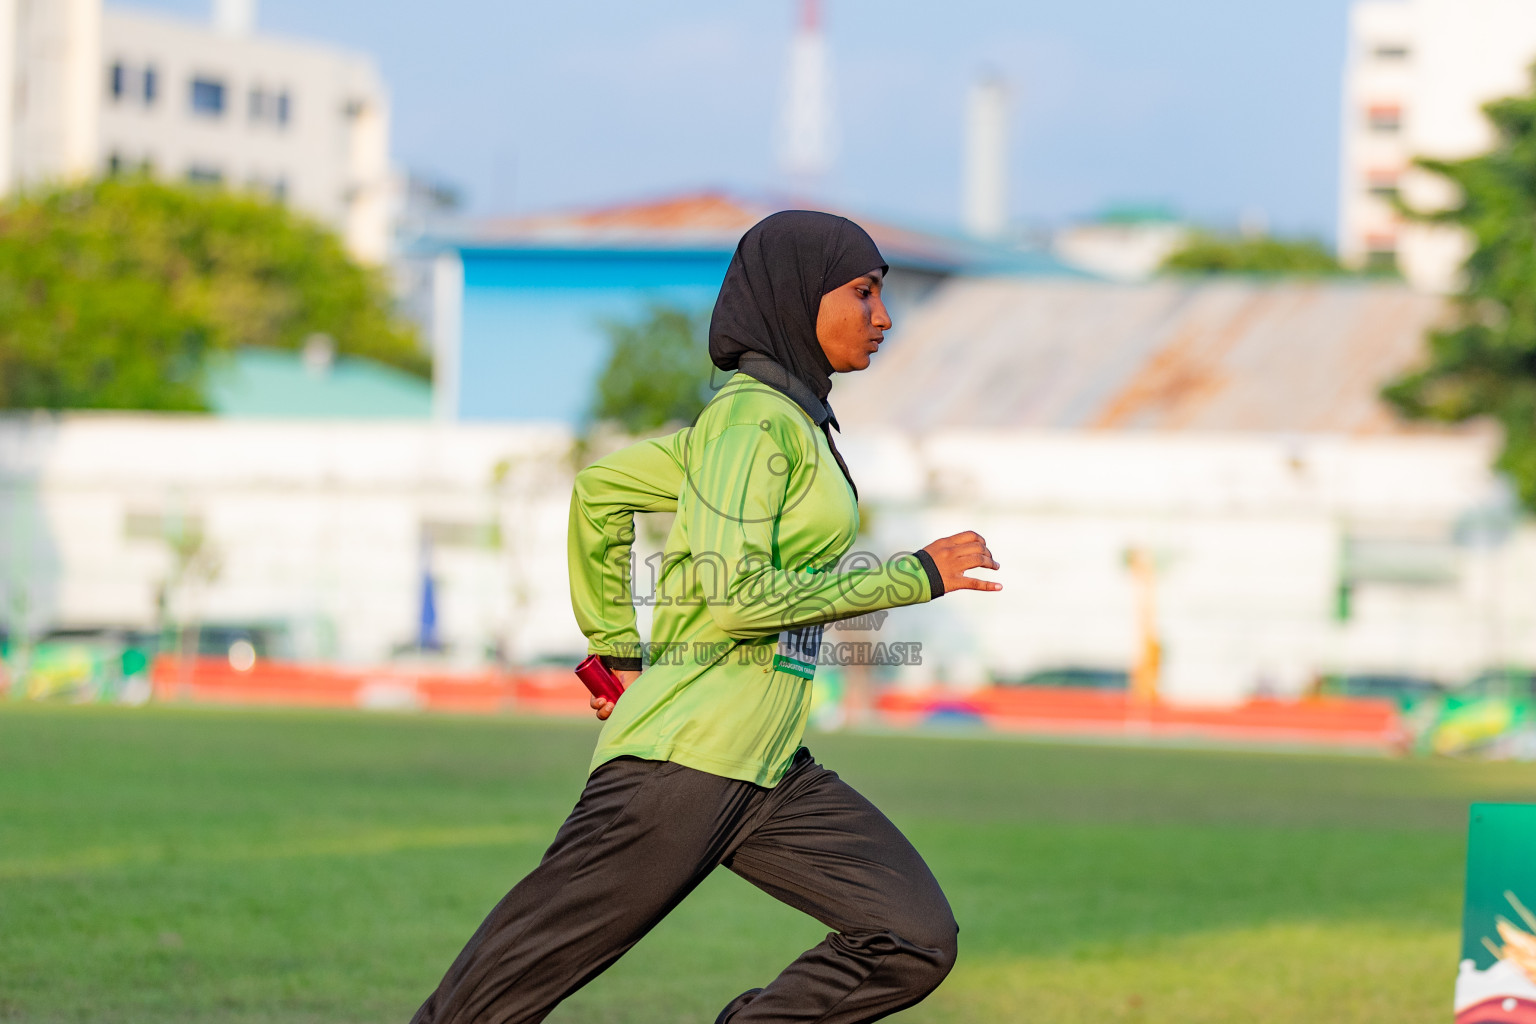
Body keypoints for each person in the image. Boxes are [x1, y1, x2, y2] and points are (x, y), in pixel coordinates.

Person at [408, 211, 1002, 1024]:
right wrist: (912, 576)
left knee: (911, 935)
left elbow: (602, 492)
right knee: (489, 1002)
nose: (883, 316)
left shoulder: (785, 423)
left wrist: (614, 654)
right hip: (681, 769)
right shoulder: (748, 422)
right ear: (800, 295)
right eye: (863, 293)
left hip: (767, 773)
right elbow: (738, 598)